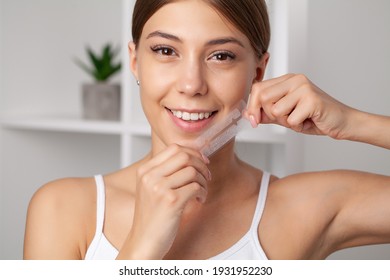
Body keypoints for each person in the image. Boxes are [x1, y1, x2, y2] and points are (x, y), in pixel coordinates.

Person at [23, 0, 390, 260]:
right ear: (135, 62)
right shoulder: (62, 208)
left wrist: (355, 123)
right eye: (166, 50)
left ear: (258, 73)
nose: (191, 84)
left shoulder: (306, 208)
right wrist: (140, 249)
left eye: (221, 56)